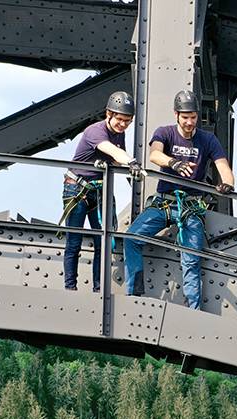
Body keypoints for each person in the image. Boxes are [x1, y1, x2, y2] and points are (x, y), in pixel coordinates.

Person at [123, 89, 235, 309]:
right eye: (185, 117)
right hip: (164, 203)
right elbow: (154, 154)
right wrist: (173, 163)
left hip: (191, 207)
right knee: (131, 238)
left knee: (191, 258)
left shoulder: (207, 139)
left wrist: (227, 184)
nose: (190, 122)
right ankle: (135, 293)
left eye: (193, 117)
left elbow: (223, 166)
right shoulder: (164, 132)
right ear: (176, 115)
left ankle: (192, 310)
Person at [61, 91, 142, 292]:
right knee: (74, 241)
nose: (123, 125)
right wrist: (131, 162)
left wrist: (131, 175)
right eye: (120, 119)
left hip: (99, 190)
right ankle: (70, 288)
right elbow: (111, 151)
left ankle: (98, 288)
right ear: (109, 114)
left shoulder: (119, 134)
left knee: (103, 241)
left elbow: (115, 159)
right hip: (77, 189)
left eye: (127, 121)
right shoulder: (95, 131)